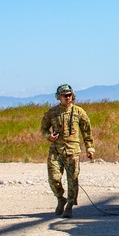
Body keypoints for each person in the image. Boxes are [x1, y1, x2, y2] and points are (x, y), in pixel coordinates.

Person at [40, 84, 94, 218]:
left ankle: (70, 204)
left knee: (73, 179)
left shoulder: (79, 112)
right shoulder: (52, 113)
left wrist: (90, 148)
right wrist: (49, 136)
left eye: (69, 95)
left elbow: (86, 131)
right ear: (59, 97)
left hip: (73, 151)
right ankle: (60, 198)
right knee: (54, 178)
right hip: (56, 150)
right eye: (64, 95)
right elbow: (44, 129)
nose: (67, 98)